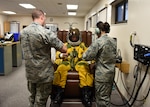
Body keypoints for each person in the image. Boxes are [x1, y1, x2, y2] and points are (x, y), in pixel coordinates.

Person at [20, 9, 67, 107]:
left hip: (30, 72)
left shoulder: (23, 32)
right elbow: (63, 48)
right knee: (41, 101)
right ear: (42, 17)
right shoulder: (45, 32)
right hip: (43, 74)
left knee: (32, 98)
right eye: (44, 18)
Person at [51, 28, 94, 107]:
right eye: (72, 37)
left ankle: (86, 94)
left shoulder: (82, 45)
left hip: (79, 62)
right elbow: (57, 54)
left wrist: (87, 58)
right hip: (67, 62)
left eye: (75, 37)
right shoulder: (65, 45)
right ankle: (58, 94)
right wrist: (61, 55)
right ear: (69, 37)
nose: (74, 38)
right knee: (61, 69)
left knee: (84, 70)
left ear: (78, 37)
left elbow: (89, 54)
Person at [82, 21, 117, 107]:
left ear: (99, 30)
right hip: (111, 73)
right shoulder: (113, 41)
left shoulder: (98, 42)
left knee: (101, 99)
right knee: (107, 97)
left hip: (101, 75)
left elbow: (86, 56)